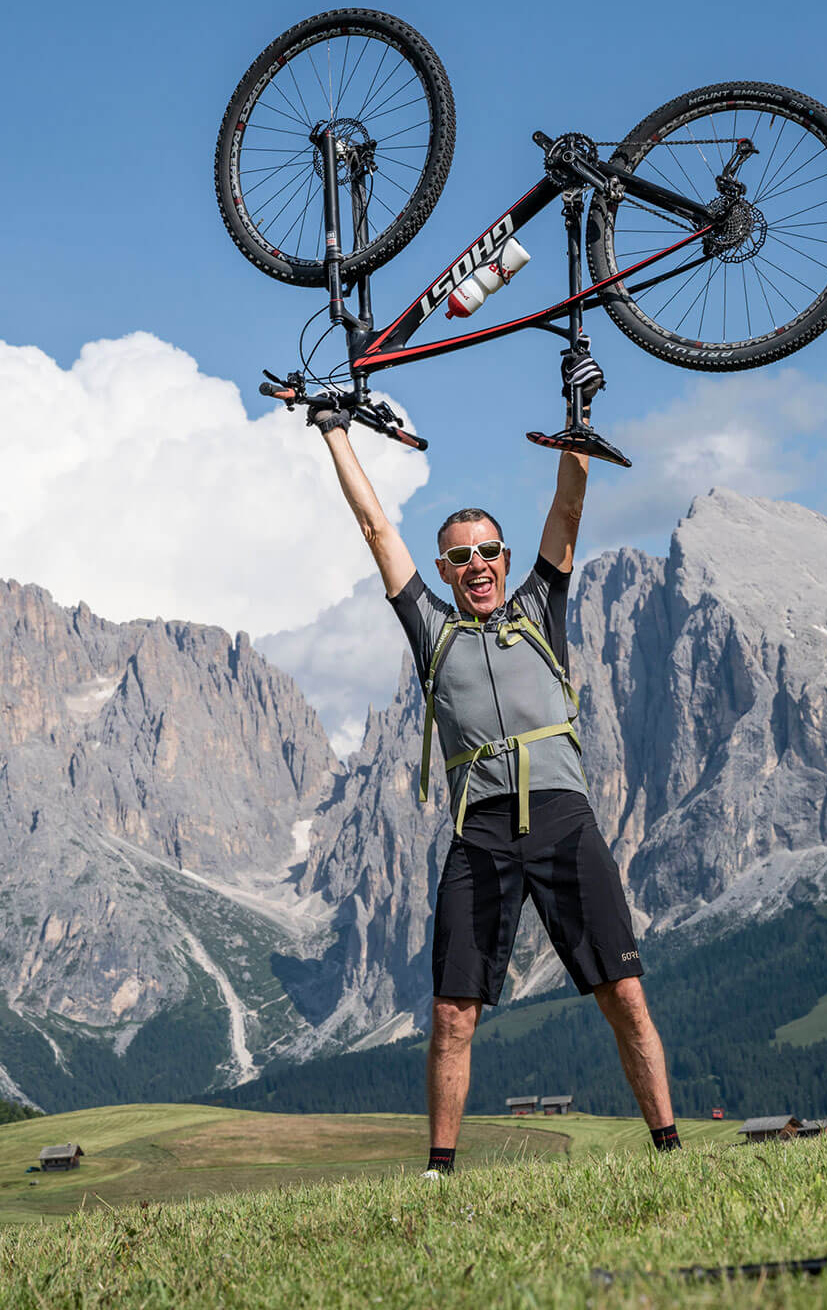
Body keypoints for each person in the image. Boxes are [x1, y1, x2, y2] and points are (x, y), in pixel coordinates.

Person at [308, 356, 679, 1176]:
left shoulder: (543, 608)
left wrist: (577, 408)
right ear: (442, 572)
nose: (476, 565)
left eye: (488, 552)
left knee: (624, 995)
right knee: (451, 1013)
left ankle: (670, 1150)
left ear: (506, 560)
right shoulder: (431, 631)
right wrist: (334, 431)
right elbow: (377, 530)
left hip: (562, 818)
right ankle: (438, 1175)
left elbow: (569, 507)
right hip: (479, 834)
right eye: (459, 557)